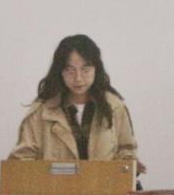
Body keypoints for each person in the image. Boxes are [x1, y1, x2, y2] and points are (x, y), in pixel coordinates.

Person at [8, 34, 145, 179]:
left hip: (104, 190)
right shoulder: (41, 112)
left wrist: (129, 165)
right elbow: (21, 162)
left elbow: (126, 150)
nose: (78, 78)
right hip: (56, 191)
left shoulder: (114, 107)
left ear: (96, 69)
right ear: (60, 71)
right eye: (70, 70)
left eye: (85, 70)